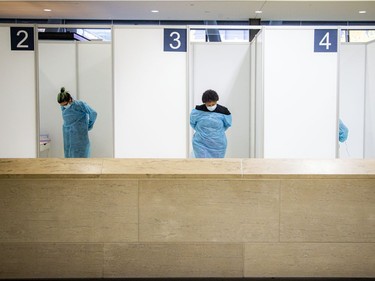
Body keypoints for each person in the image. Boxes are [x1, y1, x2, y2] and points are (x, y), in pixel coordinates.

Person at [190, 89, 232, 158]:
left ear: (216, 101)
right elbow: (193, 123)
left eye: (213, 104)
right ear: (205, 103)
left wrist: (216, 133)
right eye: (209, 105)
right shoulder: (197, 111)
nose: (211, 106)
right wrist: (202, 132)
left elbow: (227, 124)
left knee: (216, 165)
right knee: (202, 164)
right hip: (201, 144)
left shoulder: (224, 112)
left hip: (218, 145)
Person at [57, 87, 97, 158]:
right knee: (69, 161)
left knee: (81, 161)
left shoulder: (79, 105)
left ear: (69, 99)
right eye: (62, 105)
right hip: (67, 137)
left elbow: (93, 113)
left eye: (65, 104)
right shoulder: (63, 107)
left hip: (79, 138)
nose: (64, 107)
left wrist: (89, 126)